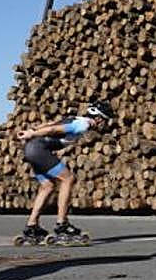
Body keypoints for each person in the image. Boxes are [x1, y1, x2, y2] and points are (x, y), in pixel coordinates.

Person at [16, 101, 115, 241]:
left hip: (30, 149)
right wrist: (32, 133)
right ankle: (62, 224)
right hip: (38, 149)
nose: (105, 124)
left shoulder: (75, 118)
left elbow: (51, 124)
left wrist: (33, 129)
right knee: (68, 179)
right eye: (105, 120)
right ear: (98, 118)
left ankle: (32, 226)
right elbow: (53, 130)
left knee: (47, 186)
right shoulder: (84, 124)